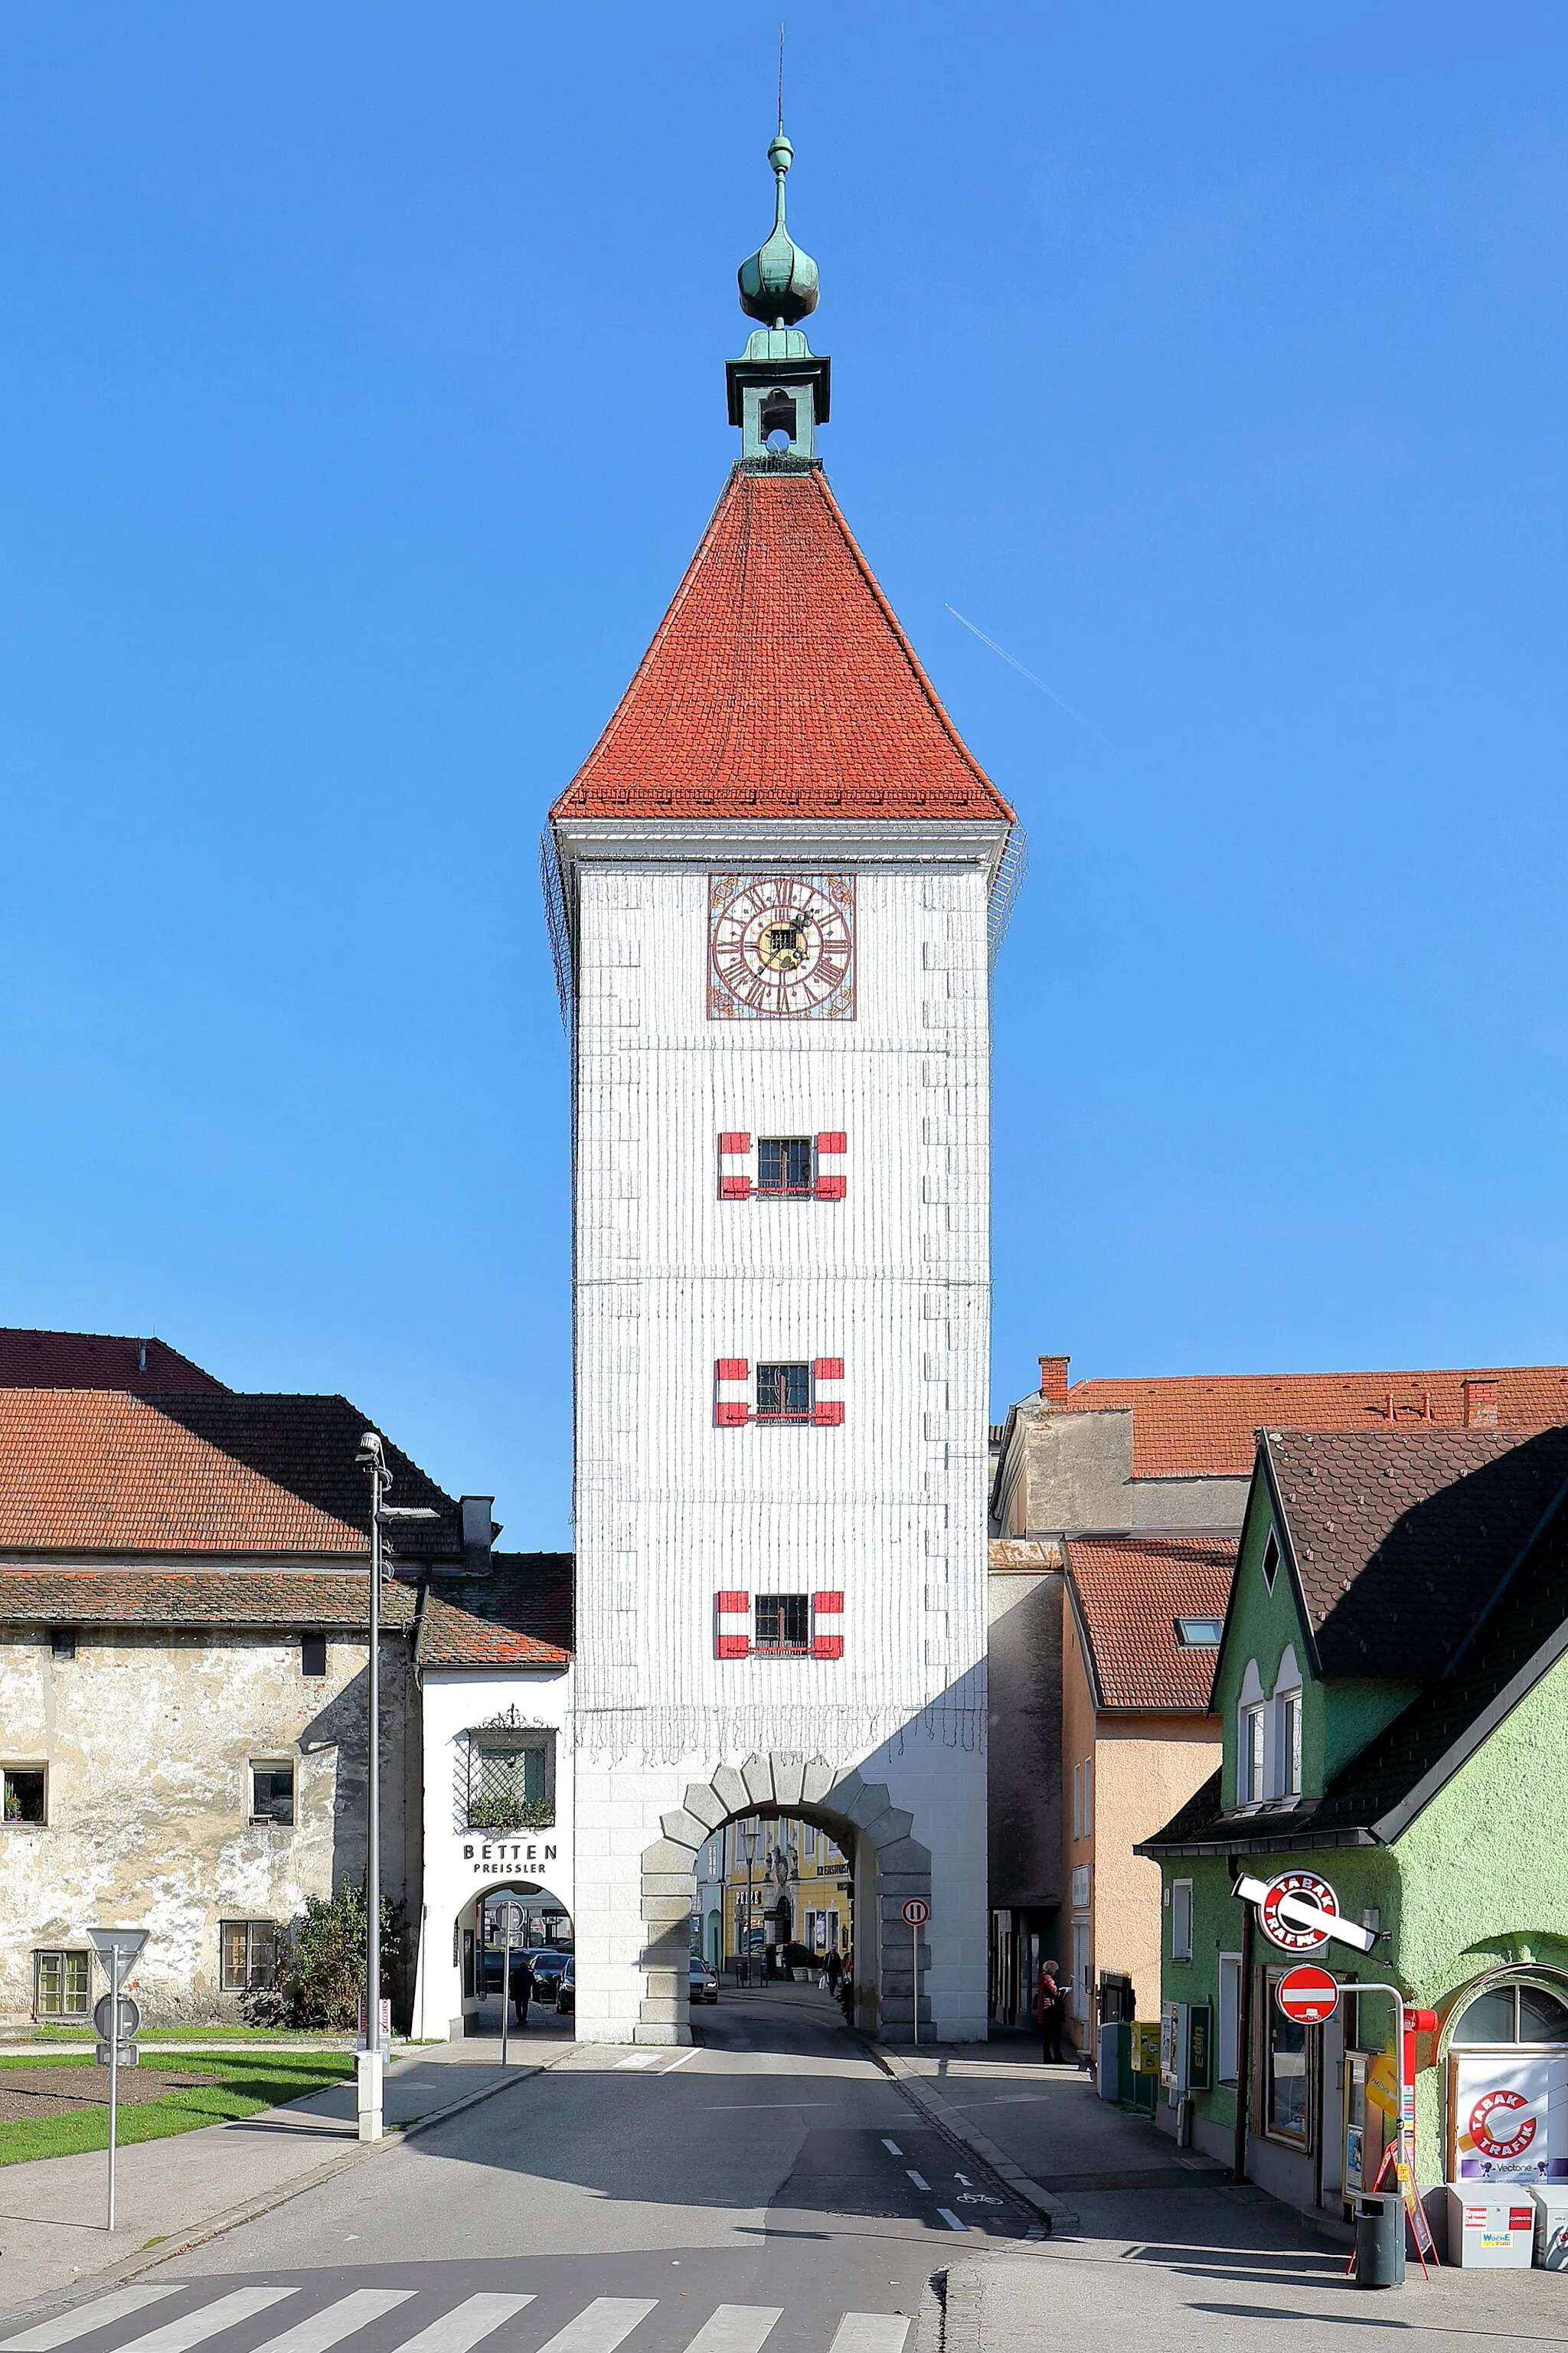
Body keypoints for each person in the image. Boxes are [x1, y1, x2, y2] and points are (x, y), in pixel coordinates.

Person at [1035, 1958, 1067, 2064]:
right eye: (1055, 1970)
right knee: (1056, 2034)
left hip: (1044, 2010)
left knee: (1047, 2035)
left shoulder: (1042, 1978)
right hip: (1050, 2010)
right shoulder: (1048, 1979)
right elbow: (1055, 1992)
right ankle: (1057, 2057)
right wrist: (1063, 1992)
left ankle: (1047, 2056)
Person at [508, 1949, 535, 2028]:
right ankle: (524, 2018)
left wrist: (511, 1991)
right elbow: (534, 1982)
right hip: (526, 1992)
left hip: (517, 1992)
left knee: (518, 2006)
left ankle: (520, 2018)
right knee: (525, 2005)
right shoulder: (529, 1974)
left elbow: (512, 1983)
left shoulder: (516, 1973)